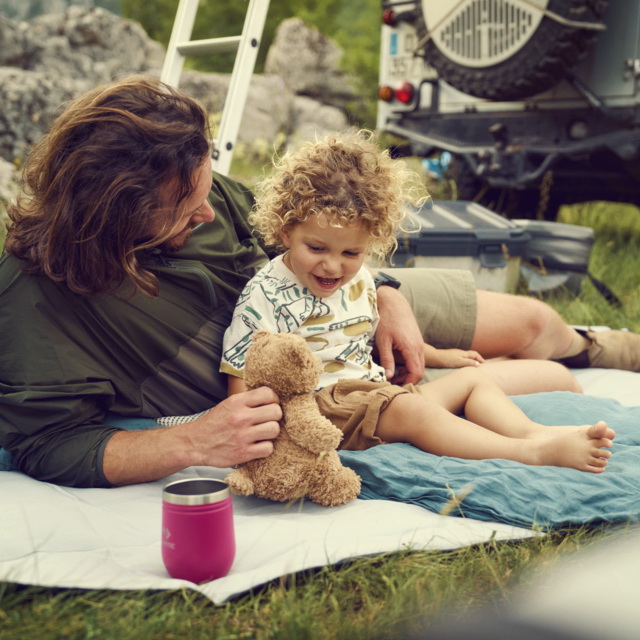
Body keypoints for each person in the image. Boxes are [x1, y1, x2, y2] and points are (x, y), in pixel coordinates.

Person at [0, 76, 636, 488]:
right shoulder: (37, 296)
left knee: (534, 324)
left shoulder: (191, 182)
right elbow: (48, 444)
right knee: (549, 381)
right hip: (317, 374)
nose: (206, 210)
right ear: (116, 210)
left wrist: (385, 291)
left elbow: (298, 229)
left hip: (341, 289)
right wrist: (193, 439)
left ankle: (615, 346)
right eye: (184, 208)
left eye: (204, 190)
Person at [219, 131, 615, 473]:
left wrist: (439, 356)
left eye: (351, 253)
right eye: (317, 247)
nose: (333, 266)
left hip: (372, 393)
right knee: (414, 412)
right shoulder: (266, 294)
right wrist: (260, 439)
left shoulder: (359, 280)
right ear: (286, 231)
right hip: (322, 410)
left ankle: (535, 433)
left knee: (474, 380)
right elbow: (240, 374)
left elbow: (365, 328)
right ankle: (527, 453)